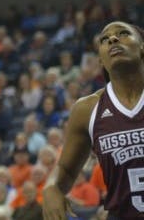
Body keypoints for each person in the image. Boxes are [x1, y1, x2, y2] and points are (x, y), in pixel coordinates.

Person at [43, 21, 144, 220]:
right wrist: (51, 188)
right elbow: (65, 169)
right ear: (100, 59)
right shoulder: (87, 109)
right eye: (105, 39)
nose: (113, 39)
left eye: (123, 33)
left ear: (142, 47)